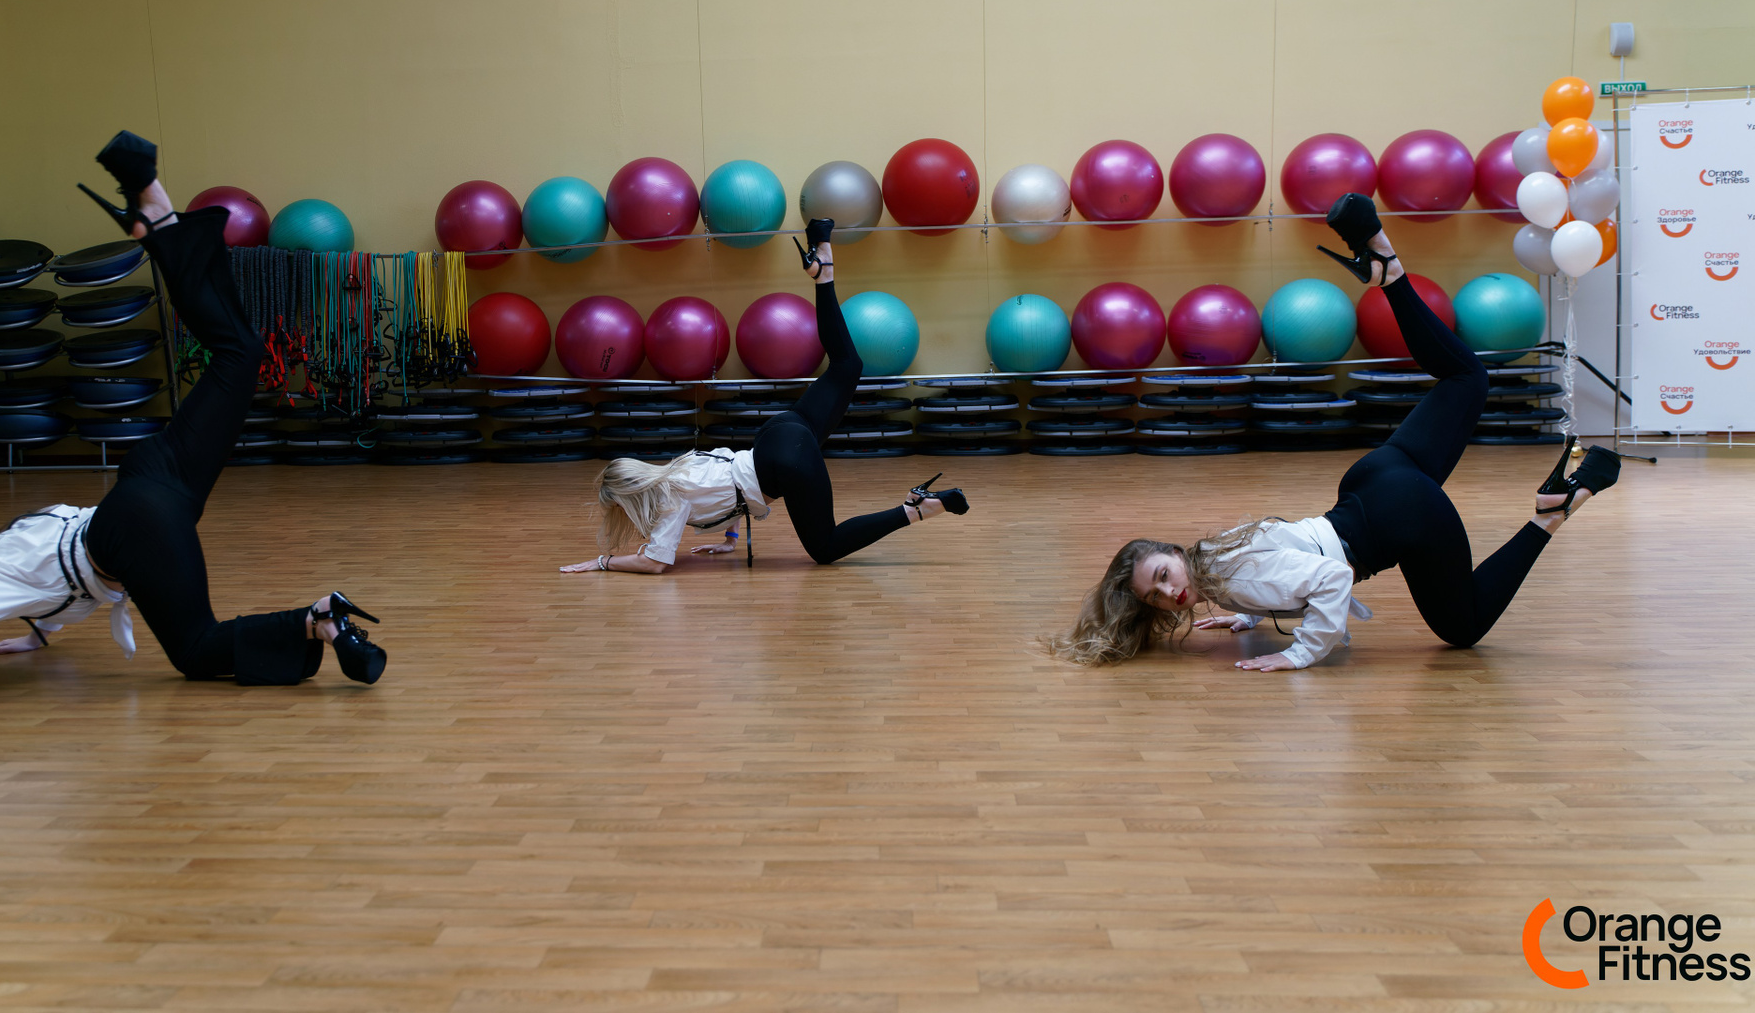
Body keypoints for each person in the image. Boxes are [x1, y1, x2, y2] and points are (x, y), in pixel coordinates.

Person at [0, 132, 387, 717]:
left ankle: (318, 619)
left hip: (137, 521)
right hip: (149, 482)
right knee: (240, 354)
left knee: (196, 652)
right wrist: (37, 636)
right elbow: (58, 578)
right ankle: (159, 217)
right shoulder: (11, 544)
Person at [1044, 192, 1621, 672]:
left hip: (1395, 516)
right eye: (1157, 596)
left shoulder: (1232, 578)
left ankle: (1549, 514)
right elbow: (1279, 560)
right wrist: (1248, 615)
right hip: (1374, 481)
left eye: (1163, 576)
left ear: (1172, 553)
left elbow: (1330, 576)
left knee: (1463, 629)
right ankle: (1389, 272)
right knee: (1467, 377)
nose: (1171, 592)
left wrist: (1298, 653)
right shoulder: (1211, 556)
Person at [560, 218, 970, 576]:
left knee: (825, 549)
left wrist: (603, 562)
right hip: (777, 433)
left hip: (782, 463)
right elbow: (728, 485)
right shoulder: (678, 468)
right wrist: (730, 538)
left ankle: (917, 509)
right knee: (847, 365)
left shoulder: (668, 503)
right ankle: (822, 269)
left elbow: (655, 563)